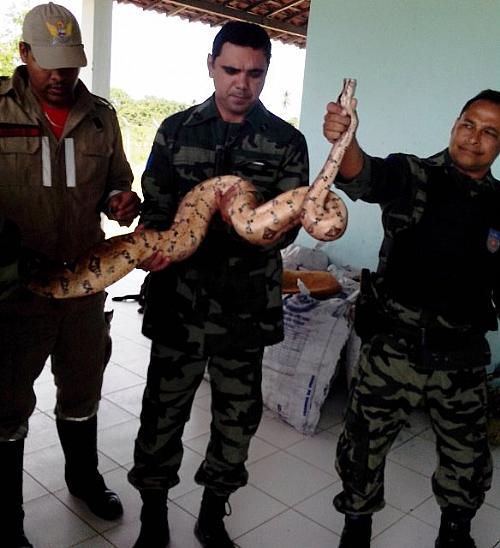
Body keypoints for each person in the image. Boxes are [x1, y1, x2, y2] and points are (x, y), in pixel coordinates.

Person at [127, 21, 309, 548]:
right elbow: (158, 204)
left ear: (266, 73)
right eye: (231, 69)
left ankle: (212, 512)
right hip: (179, 303)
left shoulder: (284, 143)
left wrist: (249, 225)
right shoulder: (175, 130)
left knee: (236, 420)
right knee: (162, 413)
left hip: (244, 310)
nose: (241, 84)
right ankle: (153, 516)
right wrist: (153, 245)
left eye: (254, 73)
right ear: (211, 65)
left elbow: (286, 226)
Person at [323, 88, 500, 548]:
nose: (474, 138)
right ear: (454, 123)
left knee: (468, 462)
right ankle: (356, 528)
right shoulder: (415, 175)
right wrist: (347, 141)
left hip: (461, 358)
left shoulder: (499, 205)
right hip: (394, 350)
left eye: (489, 132)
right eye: (468, 124)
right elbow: (364, 176)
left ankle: (455, 532)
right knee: (363, 449)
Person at [0, 3, 140, 546]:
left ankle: (83, 480)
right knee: (7, 405)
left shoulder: (101, 116)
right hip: (16, 291)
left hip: (83, 288)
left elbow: (115, 182)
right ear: (24, 54)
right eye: (50, 64)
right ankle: (8, 518)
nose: (61, 77)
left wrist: (120, 200)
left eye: (71, 64)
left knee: (83, 391)